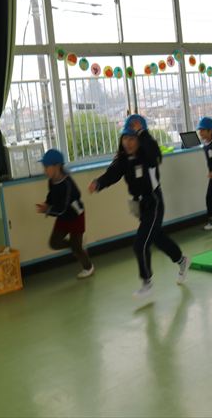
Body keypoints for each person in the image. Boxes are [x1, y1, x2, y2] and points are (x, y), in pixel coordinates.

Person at [89, 115, 191, 299]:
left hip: (154, 202)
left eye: (132, 138)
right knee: (157, 237)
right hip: (140, 205)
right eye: (125, 138)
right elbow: (112, 174)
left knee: (140, 244)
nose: (128, 143)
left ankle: (147, 283)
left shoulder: (148, 156)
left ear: (140, 139)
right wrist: (99, 183)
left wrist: (143, 133)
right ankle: (182, 260)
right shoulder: (124, 159)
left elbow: (155, 153)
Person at [36, 149, 94, 279]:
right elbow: (52, 196)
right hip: (63, 217)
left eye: (46, 167)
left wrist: (47, 210)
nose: (44, 170)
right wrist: (46, 204)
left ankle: (88, 267)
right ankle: (77, 246)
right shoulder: (51, 181)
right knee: (54, 243)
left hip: (76, 216)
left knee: (77, 248)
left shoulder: (67, 184)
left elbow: (62, 208)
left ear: (57, 166)